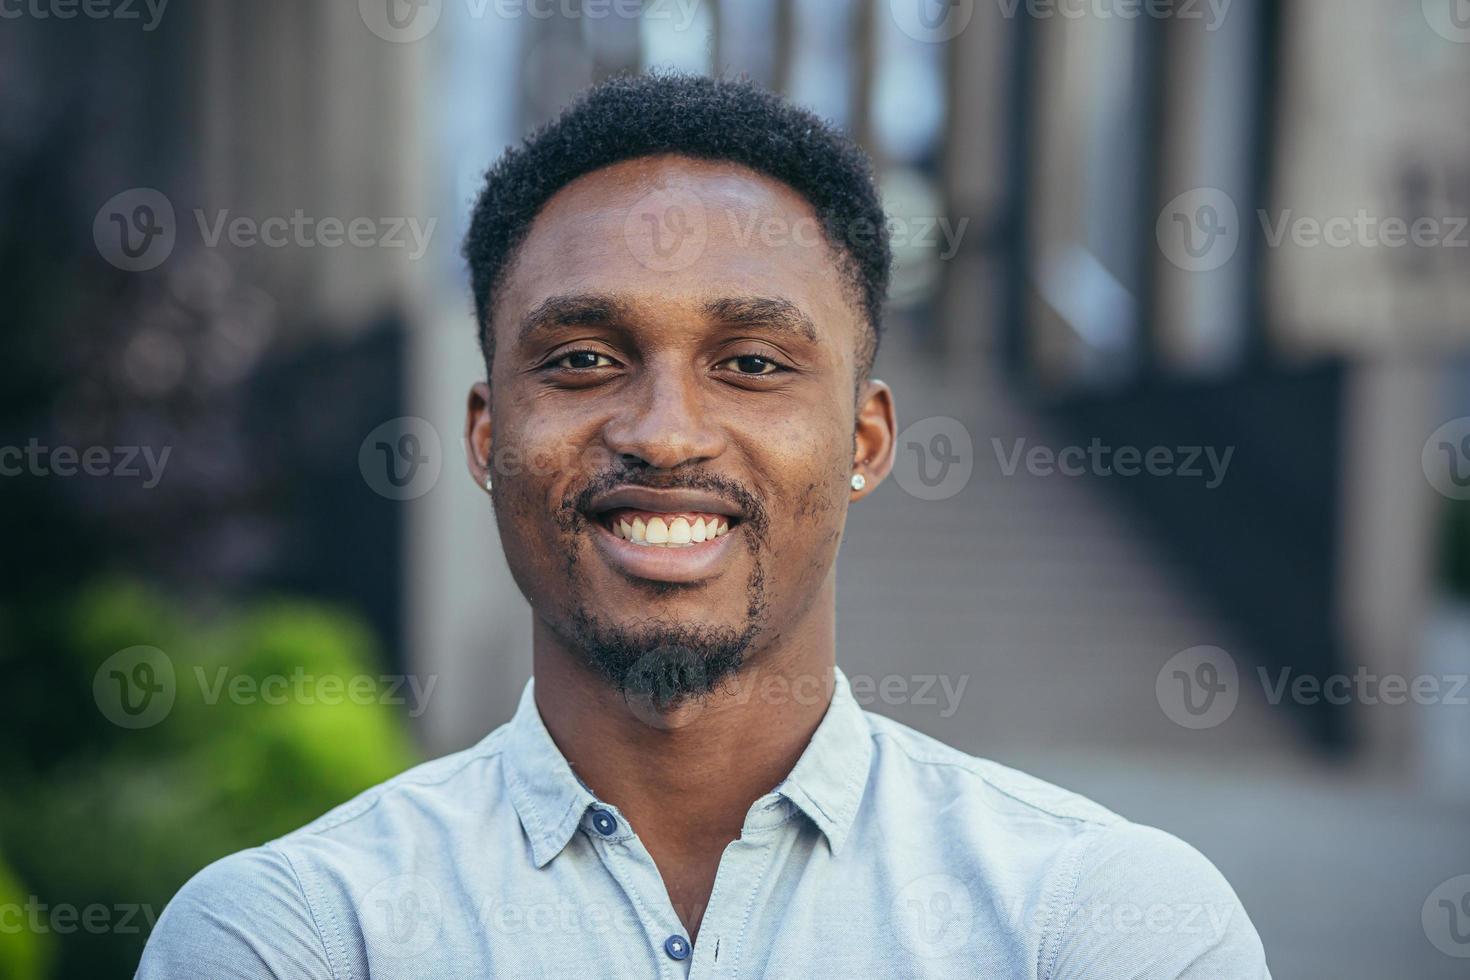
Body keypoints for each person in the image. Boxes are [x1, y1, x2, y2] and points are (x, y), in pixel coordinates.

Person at [138, 72, 1271, 978]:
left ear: (867, 440)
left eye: (752, 363)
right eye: (582, 359)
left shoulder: (1103, 925)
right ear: (486, 436)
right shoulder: (295, 939)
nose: (666, 433)